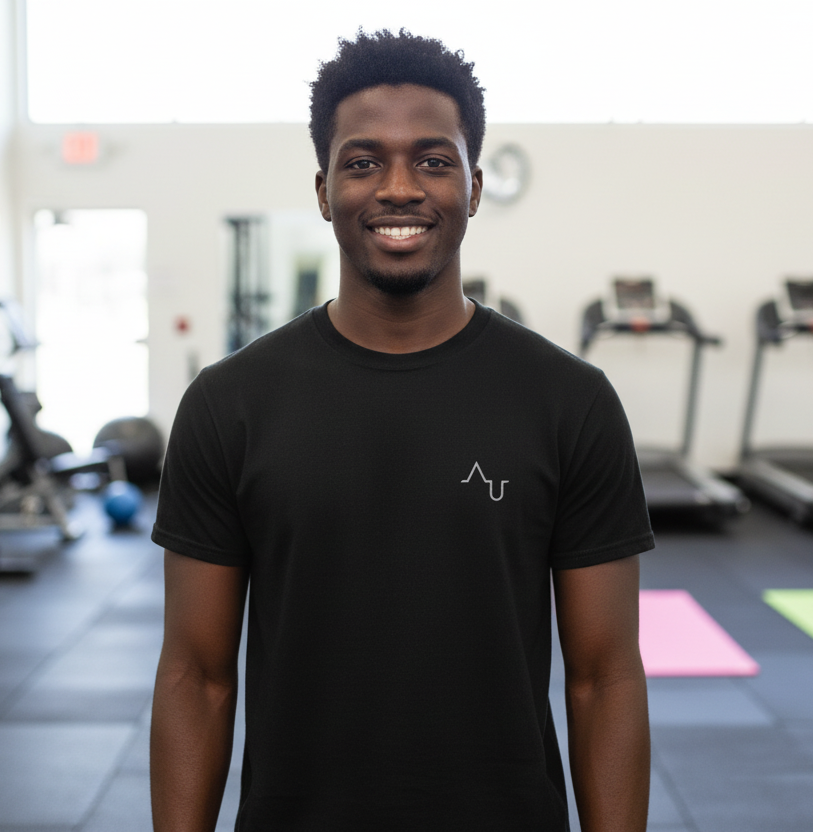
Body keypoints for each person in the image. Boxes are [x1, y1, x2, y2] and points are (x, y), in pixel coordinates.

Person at [150, 28, 653, 832]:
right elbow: (196, 677)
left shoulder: (571, 401)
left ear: (474, 184)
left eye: (432, 159)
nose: (398, 187)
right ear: (322, 190)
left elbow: (605, 677)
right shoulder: (228, 404)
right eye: (362, 162)